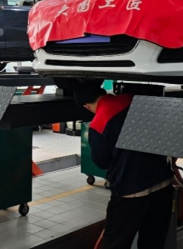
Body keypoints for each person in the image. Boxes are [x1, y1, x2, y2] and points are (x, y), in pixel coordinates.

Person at [75, 87, 175, 249]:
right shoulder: (134, 98)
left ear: (86, 106)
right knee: (153, 241)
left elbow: (102, 161)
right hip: (163, 183)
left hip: (130, 191)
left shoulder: (99, 122)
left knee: (116, 242)